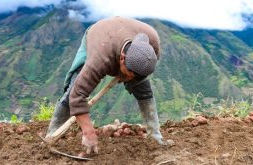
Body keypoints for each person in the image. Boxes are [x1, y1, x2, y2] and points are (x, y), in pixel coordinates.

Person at [45, 16, 166, 154]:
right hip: (99, 35)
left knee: (144, 89)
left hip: (123, 35)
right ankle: (52, 133)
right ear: (122, 58)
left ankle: (155, 135)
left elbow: (140, 71)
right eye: (129, 73)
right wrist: (88, 131)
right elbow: (77, 96)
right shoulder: (99, 58)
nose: (130, 78)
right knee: (73, 90)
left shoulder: (152, 45)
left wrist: (131, 76)